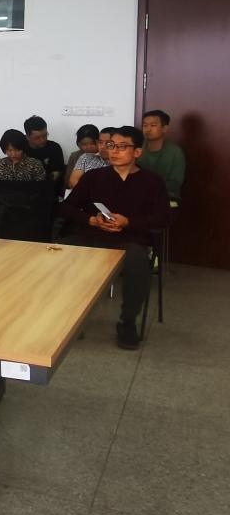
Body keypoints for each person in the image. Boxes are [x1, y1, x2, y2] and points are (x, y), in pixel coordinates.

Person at [59, 126, 170, 350]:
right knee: (60, 252)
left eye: (122, 146)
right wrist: (92, 220)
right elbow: (66, 208)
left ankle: (127, 322)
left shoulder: (152, 181)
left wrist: (128, 222)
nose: (114, 151)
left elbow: (163, 217)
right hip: (92, 235)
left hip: (130, 240)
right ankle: (69, 317)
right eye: (111, 145)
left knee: (138, 263)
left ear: (137, 152)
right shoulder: (94, 177)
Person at [138, 109, 186, 199]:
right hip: (139, 196)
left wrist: (146, 187)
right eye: (145, 125)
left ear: (164, 129)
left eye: (153, 125)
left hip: (167, 198)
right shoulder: (137, 148)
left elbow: (175, 183)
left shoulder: (175, 152)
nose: (148, 129)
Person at [24, 115, 65, 197]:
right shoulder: (21, 149)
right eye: (37, 138)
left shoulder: (54, 147)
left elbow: (56, 172)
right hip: (25, 189)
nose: (42, 140)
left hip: (49, 189)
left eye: (45, 135)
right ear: (27, 137)